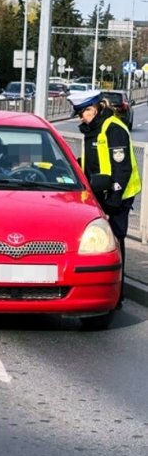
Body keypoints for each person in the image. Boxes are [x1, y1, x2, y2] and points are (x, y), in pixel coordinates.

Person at [72, 90, 141, 308]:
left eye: (84, 113)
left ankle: (117, 294)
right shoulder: (93, 129)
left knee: (116, 241)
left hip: (118, 195)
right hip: (98, 193)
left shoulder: (113, 128)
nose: (81, 118)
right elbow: (93, 161)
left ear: (95, 108)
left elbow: (122, 168)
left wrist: (114, 197)